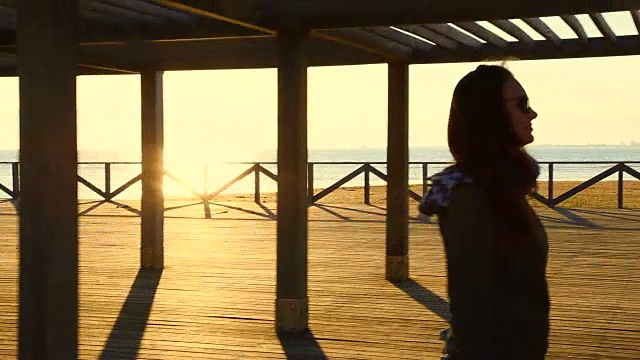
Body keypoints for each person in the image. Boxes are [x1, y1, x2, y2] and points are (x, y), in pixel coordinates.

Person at [419, 64, 550, 359]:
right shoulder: (468, 194)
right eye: (522, 104)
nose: (532, 113)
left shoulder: (505, 185)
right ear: (490, 115)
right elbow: (470, 303)